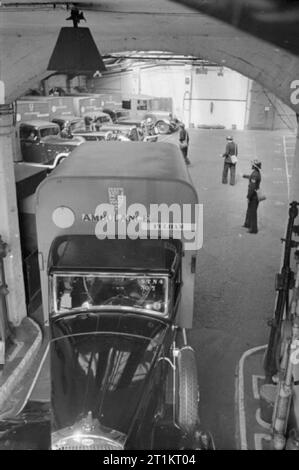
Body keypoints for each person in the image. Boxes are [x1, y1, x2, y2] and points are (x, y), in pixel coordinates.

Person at [242, 159, 262, 234]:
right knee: (249, 210)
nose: (251, 165)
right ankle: (247, 223)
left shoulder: (254, 174)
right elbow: (251, 177)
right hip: (256, 194)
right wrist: (244, 176)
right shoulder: (256, 173)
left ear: (254, 166)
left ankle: (254, 229)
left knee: (253, 212)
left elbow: (252, 187)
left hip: (253, 196)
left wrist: (248, 197)